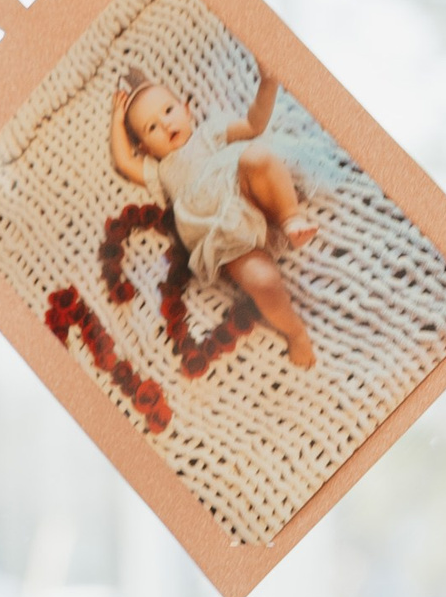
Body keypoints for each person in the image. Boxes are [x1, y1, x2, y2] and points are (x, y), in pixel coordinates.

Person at [109, 64, 317, 370]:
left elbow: (254, 124)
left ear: (186, 110)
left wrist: (268, 84)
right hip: (226, 239)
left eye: (168, 111)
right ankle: (296, 332)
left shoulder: (210, 133)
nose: (165, 124)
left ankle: (290, 218)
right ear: (145, 148)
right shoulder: (160, 171)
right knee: (263, 282)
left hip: (249, 194)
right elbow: (125, 162)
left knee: (257, 156)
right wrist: (117, 119)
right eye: (151, 128)